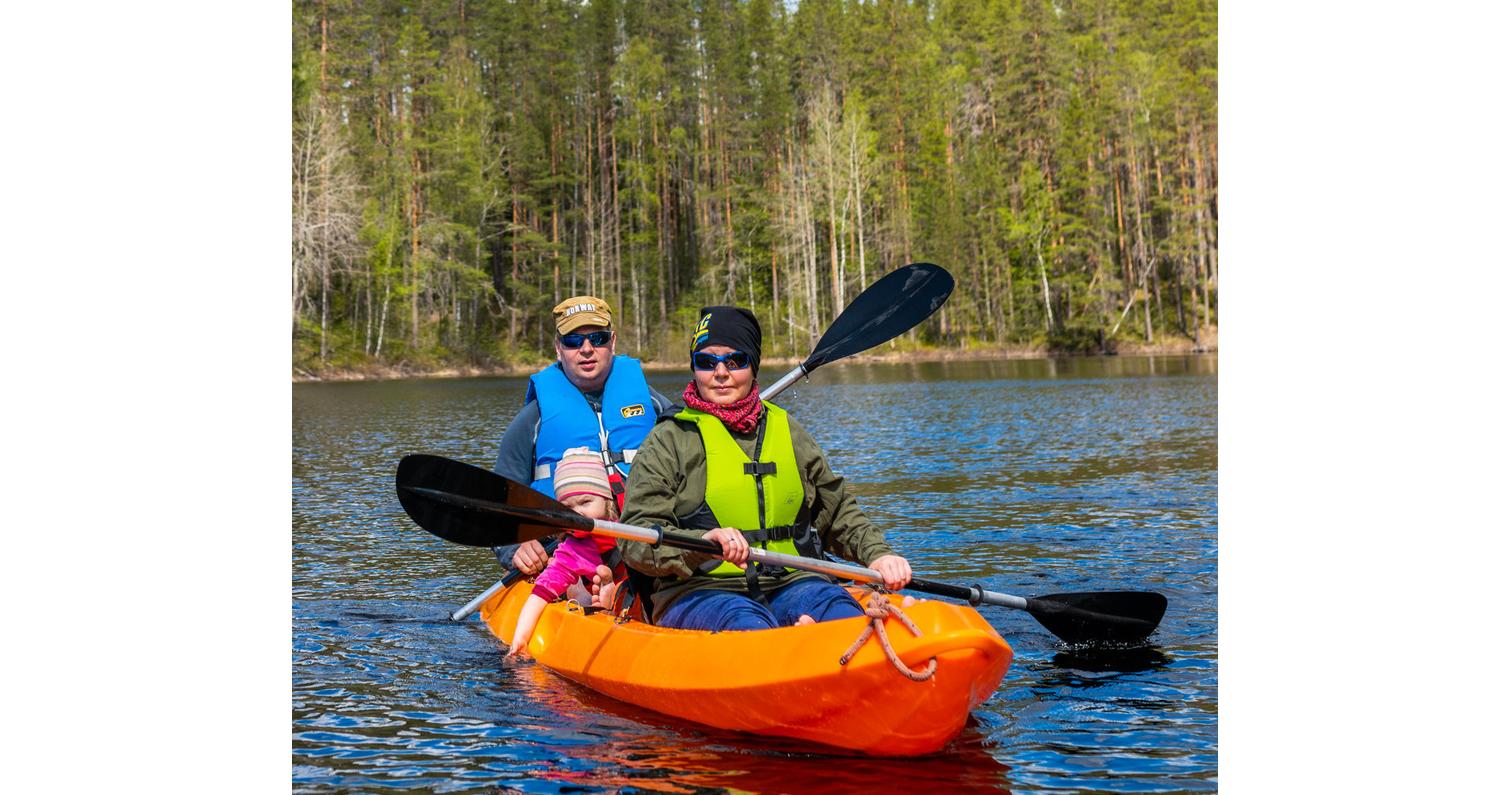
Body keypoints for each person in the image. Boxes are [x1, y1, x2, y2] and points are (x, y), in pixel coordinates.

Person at [618, 306, 913, 631]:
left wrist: (878, 555)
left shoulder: (787, 429)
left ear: (753, 366)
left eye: (735, 361)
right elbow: (636, 539)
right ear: (695, 368)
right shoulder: (668, 440)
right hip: (701, 592)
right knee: (746, 622)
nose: (720, 372)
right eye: (706, 362)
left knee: (837, 610)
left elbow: (838, 512)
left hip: (795, 583)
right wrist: (700, 542)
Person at [491, 295, 674, 579]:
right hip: (563, 553)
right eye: (573, 341)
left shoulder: (655, 406)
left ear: (612, 342)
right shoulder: (532, 419)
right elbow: (500, 501)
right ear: (558, 348)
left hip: (643, 544)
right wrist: (514, 547)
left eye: (597, 339)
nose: (586, 349)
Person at [506, 448, 621, 658]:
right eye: (567, 507)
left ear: (607, 501)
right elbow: (541, 593)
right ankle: (592, 599)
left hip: (636, 590)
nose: (577, 513)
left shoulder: (634, 523)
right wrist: (520, 640)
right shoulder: (573, 549)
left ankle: (609, 595)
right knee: (583, 593)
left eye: (586, 502)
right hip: (607, 605)